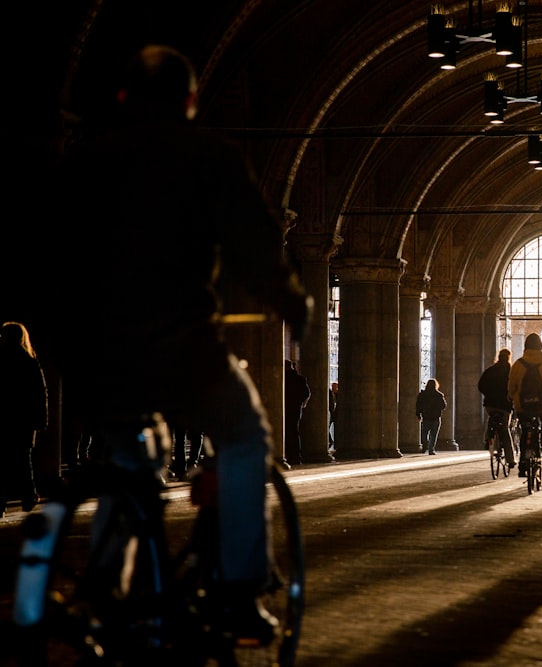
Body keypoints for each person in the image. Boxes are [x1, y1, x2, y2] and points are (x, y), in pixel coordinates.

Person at [47, 45, 313, 640]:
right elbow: (256, 249)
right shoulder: (206, 155)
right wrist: (296, 306)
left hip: (95, 352)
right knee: (246, 440)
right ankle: (241, 591)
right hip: (181, 345)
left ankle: (108, 591)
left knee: (127, 459)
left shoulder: (83, 160)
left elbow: (44, 257)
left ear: (122, 99)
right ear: (190, 101)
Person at [0, 322, 48, 516]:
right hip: (24, 419)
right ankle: (28, 495)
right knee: (22, 458)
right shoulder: (29, 361)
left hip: (3, 417)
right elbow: (39, 392)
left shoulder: (1, 359)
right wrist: (41, 419)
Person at [507, 332, 542, 475]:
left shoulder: (518, 364)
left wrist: (512, 396)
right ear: (540, 346)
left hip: (523, 406)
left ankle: (522, 465)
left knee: (525, 431)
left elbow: (511, 385)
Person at [477, 348, 516, 468]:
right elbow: (516, 387)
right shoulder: (511, 372)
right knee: (505, 430)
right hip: (505, 405)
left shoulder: (490, 370)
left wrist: (488, 394)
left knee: (491, 419)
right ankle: (510, 460)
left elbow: (481, 385)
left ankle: (488, 439)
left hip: (490, 404)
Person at [284, 360, 311, 466]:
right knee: (294, 433)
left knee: (286, 433)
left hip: (285, 408)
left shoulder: (284, 378)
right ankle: (295, 457)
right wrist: (300, 403)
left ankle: (287, 456)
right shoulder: (300, 379)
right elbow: (306, 393)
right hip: (295, 409)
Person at [416, 378, 447, 455]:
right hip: (435, 417)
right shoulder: (439, 395)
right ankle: (431, 450)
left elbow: (418, 406)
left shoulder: (422, 395)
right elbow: (444, 406)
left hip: (426, 417)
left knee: (424, 433)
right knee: (433, 435)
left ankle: (424, 445)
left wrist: (418, 414)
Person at [328, 381, 338, 455]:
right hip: (332, 414)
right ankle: (331, 441)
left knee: (336, 429)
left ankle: (332, 442)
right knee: (328, 428)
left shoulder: (336, 394)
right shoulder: (331, 393)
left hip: (335, 414)